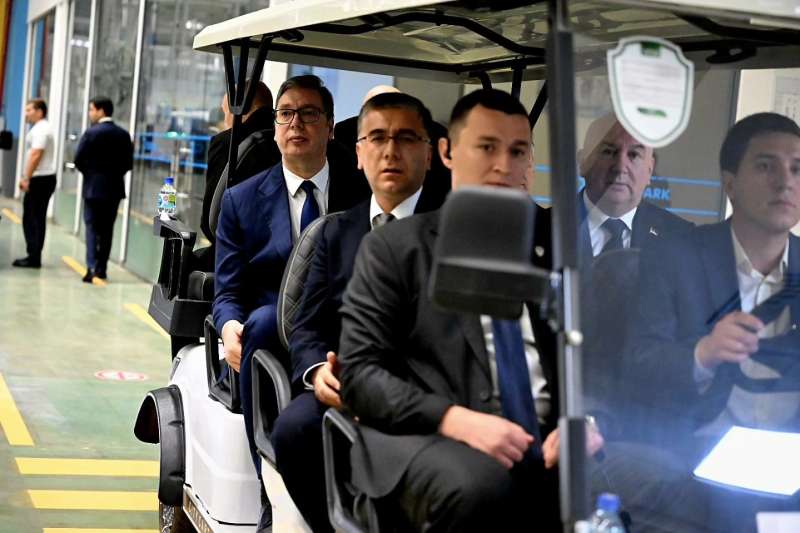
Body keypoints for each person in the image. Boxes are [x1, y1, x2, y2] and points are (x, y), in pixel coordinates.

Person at [337, 89, 603, 532]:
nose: (503, 165)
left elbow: (598, 356)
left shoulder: (558, 246)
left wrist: (587, 420)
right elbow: (361, 376)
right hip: (432, 436)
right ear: (446, 152)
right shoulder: (395, 248)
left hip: (549, 436)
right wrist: (455, 420)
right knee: (484, 486)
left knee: (657, 478)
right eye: (487, 147)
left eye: (517, 151)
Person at [271, 92, 445, 532]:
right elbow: (308, 326)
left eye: (406, 138)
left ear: (429, 154)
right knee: (293, 430)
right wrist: (317, 373)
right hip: (345, 386)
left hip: (424, 393)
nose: (391, 151)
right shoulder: (335, 233)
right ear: (358, 153)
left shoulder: (451, 233)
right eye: (378, 138)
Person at [628, 112, 800, 531]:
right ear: (730, 184)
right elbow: (638, 365)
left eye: (797, 168)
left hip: (791, 450)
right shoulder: (675, 258)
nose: (785, 182)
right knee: (747, 511)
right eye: (766, 166)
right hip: (702, 442)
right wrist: (702, 354)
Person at [212, 74, 369, 532]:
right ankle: (270, 490)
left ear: (331, 127)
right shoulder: (241, 200)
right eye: (286, 114)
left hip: (339, 329)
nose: (295, 123)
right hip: (270, 335)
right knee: (259, 322)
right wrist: (228, 327)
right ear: (275, 126)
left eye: (309, 113)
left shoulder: (361, 193)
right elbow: (228, 291)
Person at [578, 114, 693, 261]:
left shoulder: (681, 238)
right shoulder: (549, 227)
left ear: (650, 169)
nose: (620, 167)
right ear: (583, 163)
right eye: (608, 152)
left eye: (633, 155)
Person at [73, 96, 134, 282]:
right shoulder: (123, 135)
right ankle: (102, 269)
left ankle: (91, 266)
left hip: (92, 189)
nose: (90, 113)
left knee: (91, 227)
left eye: (91, 109)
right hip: (114, 190)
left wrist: (91, 175)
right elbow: (128, 164)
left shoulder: (91, 133)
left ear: (101, 111)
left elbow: (78, 159)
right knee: (107, 230)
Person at [13, 99, 56, 268]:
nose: (26, 113)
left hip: (40, 179)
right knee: (37, 217)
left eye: (29, 110)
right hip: (42, 178)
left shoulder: (41, 129)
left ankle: (33, 256)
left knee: (32, 218)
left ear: (40, 112)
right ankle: (34, 255)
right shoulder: (40, 128)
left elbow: (36, 154)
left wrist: (26, 178)